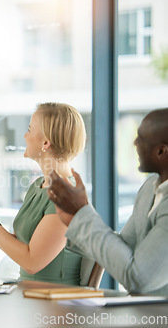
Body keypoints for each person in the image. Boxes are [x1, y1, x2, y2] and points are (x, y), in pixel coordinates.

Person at [0, 102, 86, 285]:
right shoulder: (38, 186)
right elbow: (21, 245)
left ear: (46, 143)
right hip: (28, 293)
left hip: (54, 303)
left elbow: (32, 262)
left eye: (30, 130)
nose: (25, 136)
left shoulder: (67, 197)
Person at [47, 108, 168, 295]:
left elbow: (139, 279)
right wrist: (71, 224)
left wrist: (81, 213)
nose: (135, 143)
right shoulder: (149, 188)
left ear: (161, 151)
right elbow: (124, 247)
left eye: (141, 139)